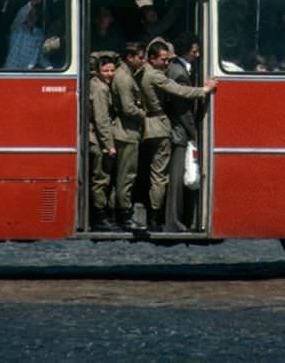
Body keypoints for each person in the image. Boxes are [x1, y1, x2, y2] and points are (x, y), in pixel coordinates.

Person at [139, 39, 216, 232]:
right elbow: (179, 91)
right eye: (163, 59)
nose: (167, 62)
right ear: (152, 59)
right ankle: (156, 220)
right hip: (161, 127)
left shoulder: (147, 71)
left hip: (153, 127)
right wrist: (204, 90)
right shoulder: (156, 75)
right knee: (161, 176)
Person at [165, 32, 218, 233]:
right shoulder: (179, 72)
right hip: (179, 132)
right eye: (195, 51)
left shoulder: (178, 68)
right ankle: (174, 222)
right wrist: (194, 132)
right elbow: (183, 109)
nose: (197, 55)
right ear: (187, 51)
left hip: (178, 130)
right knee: (177, 179)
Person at [111, 42, 146, 230]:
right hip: (127, 132)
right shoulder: (124, 78)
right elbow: (128, 108)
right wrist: (145, 114)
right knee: (127, 176)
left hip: (125, 131)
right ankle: (124, 216)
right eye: (140, 57)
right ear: (129, 57)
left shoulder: (126, 74)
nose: (144, 60)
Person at [89, 54, 119, 232]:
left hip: (97, 138)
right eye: (105, 71)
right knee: (102, 178)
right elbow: (102, 120)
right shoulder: (101, 89)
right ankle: (100, 217)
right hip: (99, 140)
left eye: (112, 70)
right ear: (98, 71)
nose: (109, 74)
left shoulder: (95, 84)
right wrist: (109, 145)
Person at [5, 0, 44, 69]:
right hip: (11, 70)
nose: (31, 17)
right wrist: (31, 4)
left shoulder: (39, 34)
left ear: (37, 17)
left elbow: (39, 55)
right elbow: (20, 16)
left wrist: (49, 67)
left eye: (34, 15)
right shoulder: (16, 28)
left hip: (28, 72)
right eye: (29, 14)